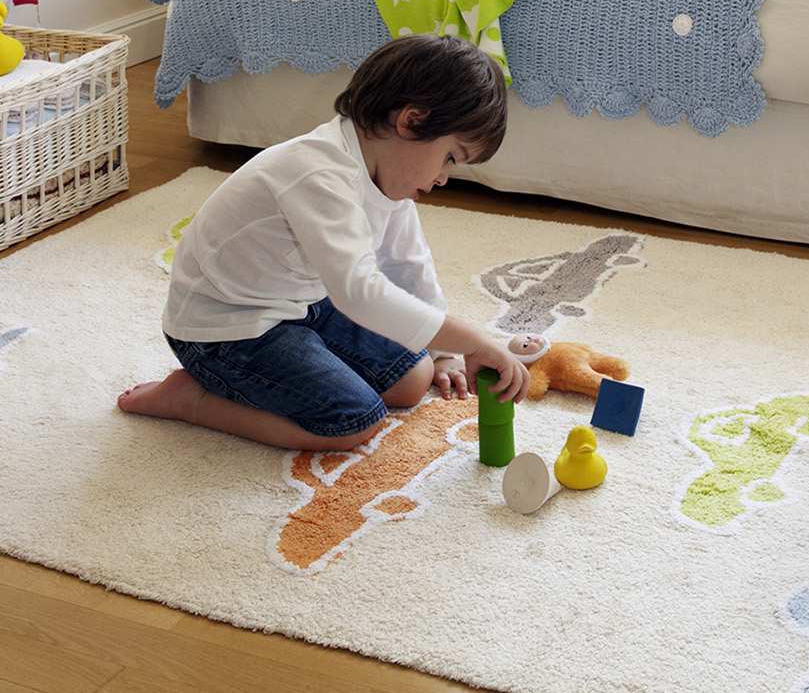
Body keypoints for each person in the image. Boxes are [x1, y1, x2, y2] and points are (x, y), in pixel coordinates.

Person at [118, 34, 529, 450]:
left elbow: (408, 264)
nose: (442, 178)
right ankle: (193, 400)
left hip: (304, 303)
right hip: (228, 327)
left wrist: (443, 353)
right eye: (450, 158)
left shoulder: (388, 177)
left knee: (414, 378)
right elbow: (360, 293)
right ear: (412, 121)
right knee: (353, 420)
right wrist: (474, 340)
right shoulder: (318, 172)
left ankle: (317, 358)